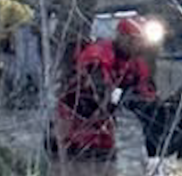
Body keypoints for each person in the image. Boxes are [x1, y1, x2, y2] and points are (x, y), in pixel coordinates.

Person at [51, 16, 160, 160]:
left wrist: (153, 104)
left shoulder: (136, 64)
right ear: (121, 37)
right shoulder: (98, 55)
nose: (137, 45)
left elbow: (147, 93)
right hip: (72, 128)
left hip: (103, 135)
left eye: (140, 41)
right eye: (133, 40)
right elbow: (98, 93)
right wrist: (124, 98)